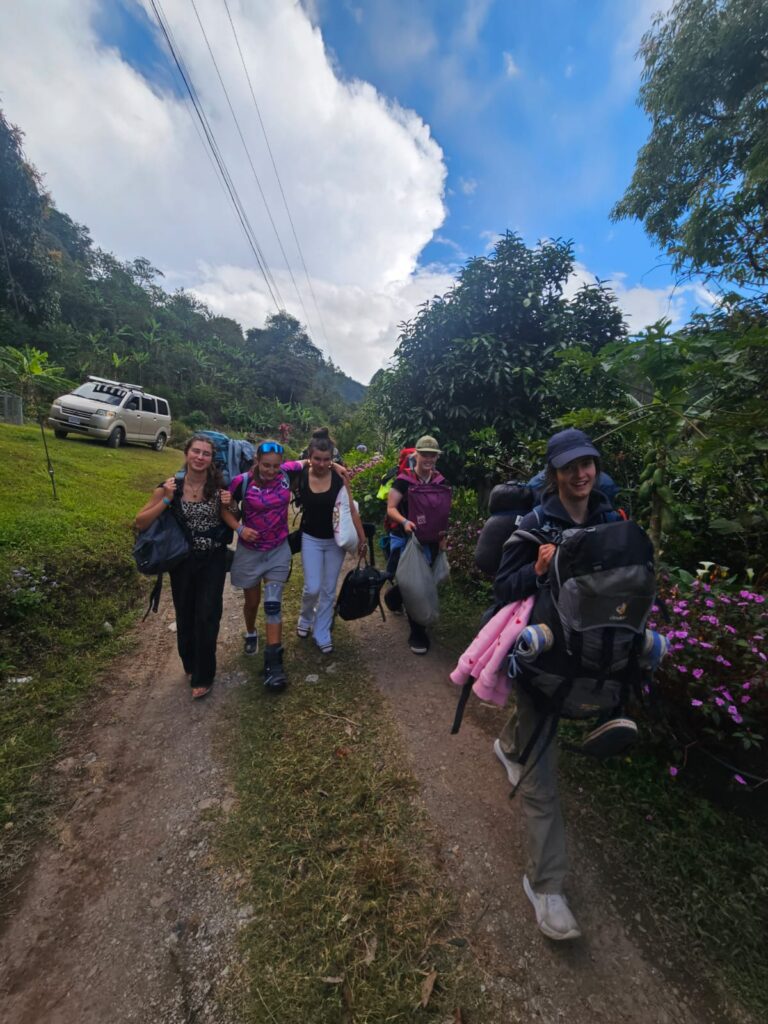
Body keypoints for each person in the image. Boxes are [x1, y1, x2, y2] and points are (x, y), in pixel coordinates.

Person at [492, 427, 617, 941]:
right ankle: (547, 888)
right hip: (542, 658)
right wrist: (540, 569)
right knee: (543, 772)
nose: (581, 473)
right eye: (570, 467)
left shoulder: (611, 518)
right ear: (554, 474)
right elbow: (502, 586)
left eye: (587, 463)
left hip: (591, 659)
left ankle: (506, 744)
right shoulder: (534, 523)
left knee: (526, 733)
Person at [135, 434, 239, 700]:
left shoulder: (217, 487)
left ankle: (204, 674)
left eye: (206, 453)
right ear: (186, 453)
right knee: (186, 613)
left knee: (208, 614)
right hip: (182, 560)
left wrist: (231, 504)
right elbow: (141, 522)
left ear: (211, 458)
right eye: (196, 451)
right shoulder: (171, 486)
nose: (200, 457)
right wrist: (167, 499)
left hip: (213, 559)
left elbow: (232, 517)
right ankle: (190, 663)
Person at [228, 440, 301, 692]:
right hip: (251, 552)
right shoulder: (242, 482)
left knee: (272, 604)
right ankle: (250, 632)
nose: (271, 471)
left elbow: (311, 461)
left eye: (275, 466)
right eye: (266, 465)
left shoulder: (286, 473)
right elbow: (224, 509)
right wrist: (239, 528)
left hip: (278, 549)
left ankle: (274, 665)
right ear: (257, 461)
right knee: (252, 602)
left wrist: (338, 468)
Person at [294, 435, 366, 654]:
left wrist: (362, 540)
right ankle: (306, 616)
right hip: (310, 538)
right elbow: (282, 470)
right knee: (312, 587)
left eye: (327, 459)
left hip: (335, 541)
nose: (322, 464)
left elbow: (351, 509)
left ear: (331, 458)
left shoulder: (339, 478)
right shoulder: (301, 476)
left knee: (327, 589)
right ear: (309, 457)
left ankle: (321, 630)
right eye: (317, 459)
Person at [385, 435, 451, 655]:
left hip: (431, 540)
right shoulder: (404, 480)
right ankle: (417, 632)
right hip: (408, 539)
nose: (429, 459)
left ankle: (395, 597)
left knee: (419, 582)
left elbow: (443, 512)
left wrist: (443, 536)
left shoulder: (441, 482)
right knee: (414, 583)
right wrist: (404, 522)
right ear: (417, 456)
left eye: (433, 455)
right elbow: (391, 508)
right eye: (425, 454)